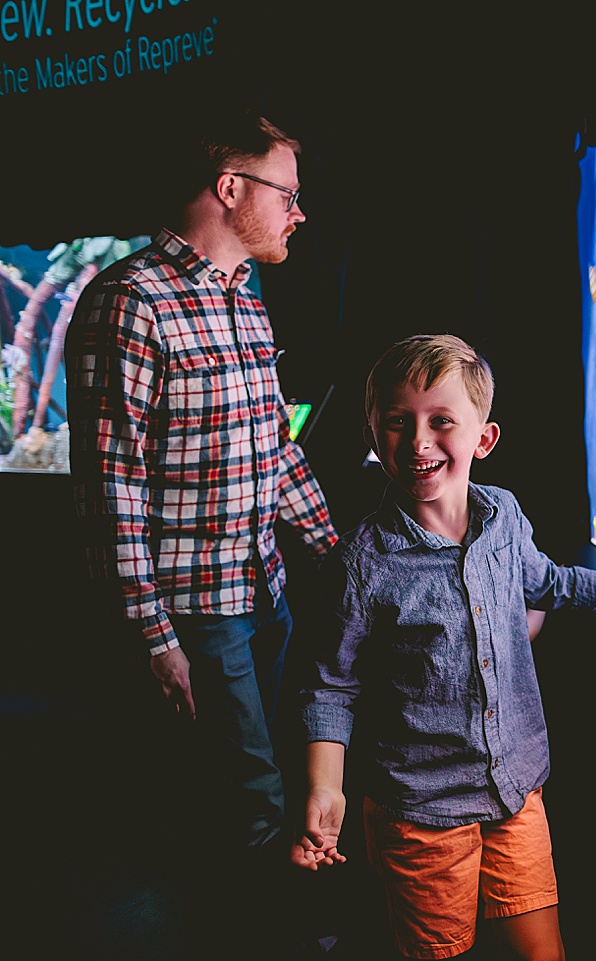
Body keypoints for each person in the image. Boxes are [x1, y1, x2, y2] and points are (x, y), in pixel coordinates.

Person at [289, 334, 596, 961]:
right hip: (420, 813)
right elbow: (331, 685)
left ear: (483, 439)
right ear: (374, 437)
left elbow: (551, 583)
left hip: (515, 793)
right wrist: (327, 787)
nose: (419, 441)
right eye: (398, 423)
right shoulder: (360, 564)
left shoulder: (504, 517)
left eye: (441, 422)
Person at [66, 108, 337, 859]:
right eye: (287, 193)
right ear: (230, 188)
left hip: (265, 590)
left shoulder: (245, 295)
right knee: (251, 805)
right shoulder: (130, 302)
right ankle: (264, 927)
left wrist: (332, 551)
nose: (298, 210)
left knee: (269, 777)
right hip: (196, 614)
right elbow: (110, 490)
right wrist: (155, 638)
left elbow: (272, 450)